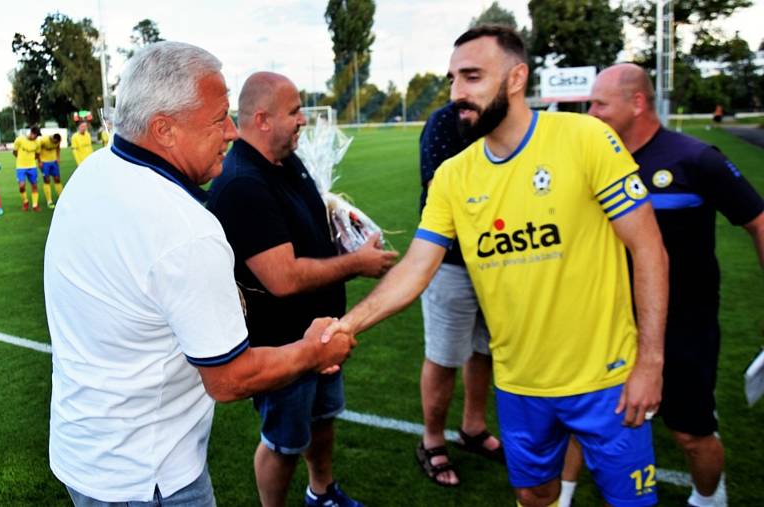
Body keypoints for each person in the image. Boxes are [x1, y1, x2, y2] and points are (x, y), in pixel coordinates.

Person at [322, 25, 669, 507]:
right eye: (451, 80)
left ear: (516, 78)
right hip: (520, 383)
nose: (456, 93)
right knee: (532, 493)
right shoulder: (453, 176)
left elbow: (649, 249)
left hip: (607, 379)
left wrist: (650, 362)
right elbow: (418, 267)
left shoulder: (584, 137)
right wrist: (345, 326)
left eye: (471, 77)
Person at [44, 42, 356, 507]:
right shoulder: (184, 229)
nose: (233, 131)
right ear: (164, 129)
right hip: (149, 477)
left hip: (86, 453)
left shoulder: (95, 172)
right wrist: (314, 351)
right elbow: (228, 378)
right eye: (219, 119)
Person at [207, 71, 397, 507]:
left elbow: (308, 227)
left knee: (323, 419)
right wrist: (357, 263)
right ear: (262, 119)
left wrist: (343, 234)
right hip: (283, 344)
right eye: (294, 112)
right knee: (284, 441)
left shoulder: (287, 160)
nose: (302, 121)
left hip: (323, 331)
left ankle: (322, 492)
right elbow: (283, 278)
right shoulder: (242, 183)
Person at [589, 63, 764, 507]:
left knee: (690, 434)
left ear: (637, 103)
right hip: (613, 323)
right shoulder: (598, 161)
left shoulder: (695, 158)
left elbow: (759, 223)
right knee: (595, 419)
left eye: (599, 104)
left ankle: (708, 500)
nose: (591, 113)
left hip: (686, 324)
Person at [416, 102, 503, 488]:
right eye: (457, 77)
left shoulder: (506, 119)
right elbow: (440, 190)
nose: (460, 89)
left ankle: (473, 427)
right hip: (450, 258)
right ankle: (431, 440)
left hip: (500, 257)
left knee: (485, 349)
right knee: (444, 354)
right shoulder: (444, 121)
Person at [13, 126, 41, 211]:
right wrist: (20, 159)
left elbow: (37, 154)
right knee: (21, 186)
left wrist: (32, 160)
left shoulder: (37, 143)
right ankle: (25, 201)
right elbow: (14, 152)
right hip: (20, 167)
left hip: (32, 167)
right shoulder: (20, 140)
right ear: (32, 133)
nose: (36, 137)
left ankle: (35, 205)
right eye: (36, 135)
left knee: (34, 185)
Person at [39, 133, 63, 208]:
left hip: (54, 162)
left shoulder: (58, 141)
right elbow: (38, 151)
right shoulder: (43, 140)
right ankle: (49, 201)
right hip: (44, 162)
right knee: (46, 180)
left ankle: (61, 198)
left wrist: (58, 157)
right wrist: (39, 162)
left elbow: (58, 148)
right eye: (54, 142)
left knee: (57, 179)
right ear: (52, 138)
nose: (55, 143)